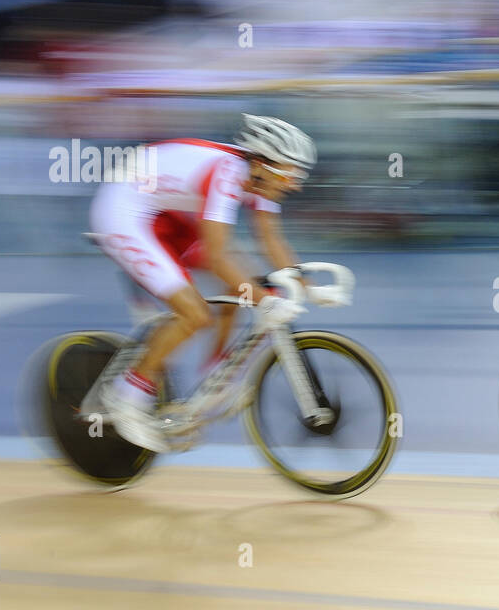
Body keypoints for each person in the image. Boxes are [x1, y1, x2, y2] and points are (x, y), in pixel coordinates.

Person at [89, 114, 337, 452]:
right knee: (194, 314)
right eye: (291, 171)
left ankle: (216, 375)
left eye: (299, 173)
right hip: (122, 211)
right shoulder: (227, 173)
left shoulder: (261, 180)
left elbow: (270, 240)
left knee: (243, 282)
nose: (295, 183)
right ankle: (125, 396)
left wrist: (308, 287)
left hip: (164, 211)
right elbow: (218, 257)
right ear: (263, 163)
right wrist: (265, 300)